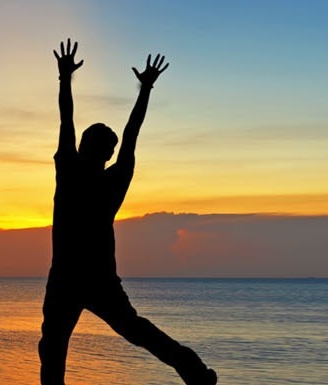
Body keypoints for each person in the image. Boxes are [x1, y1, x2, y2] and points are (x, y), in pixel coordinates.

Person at [39, 39, 216, 384]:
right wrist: (144, 89)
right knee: (122, 333)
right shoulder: (108, 177)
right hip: (85, 278)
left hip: (77, 277)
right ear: (106, 153)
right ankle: (194, 372)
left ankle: (195, 372)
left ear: (86, 147)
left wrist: (65, 78)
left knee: (57, 346)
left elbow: (68, 120)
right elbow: (128, 133)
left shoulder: (73, 171)